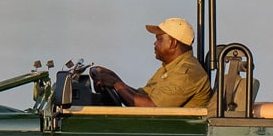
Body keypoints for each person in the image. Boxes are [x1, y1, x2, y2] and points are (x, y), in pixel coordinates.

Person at [79, 17, 213, 109]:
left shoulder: (186, 73)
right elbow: (143, 96)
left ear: (173, 43)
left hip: (178, 135)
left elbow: (150, 108)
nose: (155, 44)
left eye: (159, 40)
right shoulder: (171, 67)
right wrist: (114, 79)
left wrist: (115, 84)